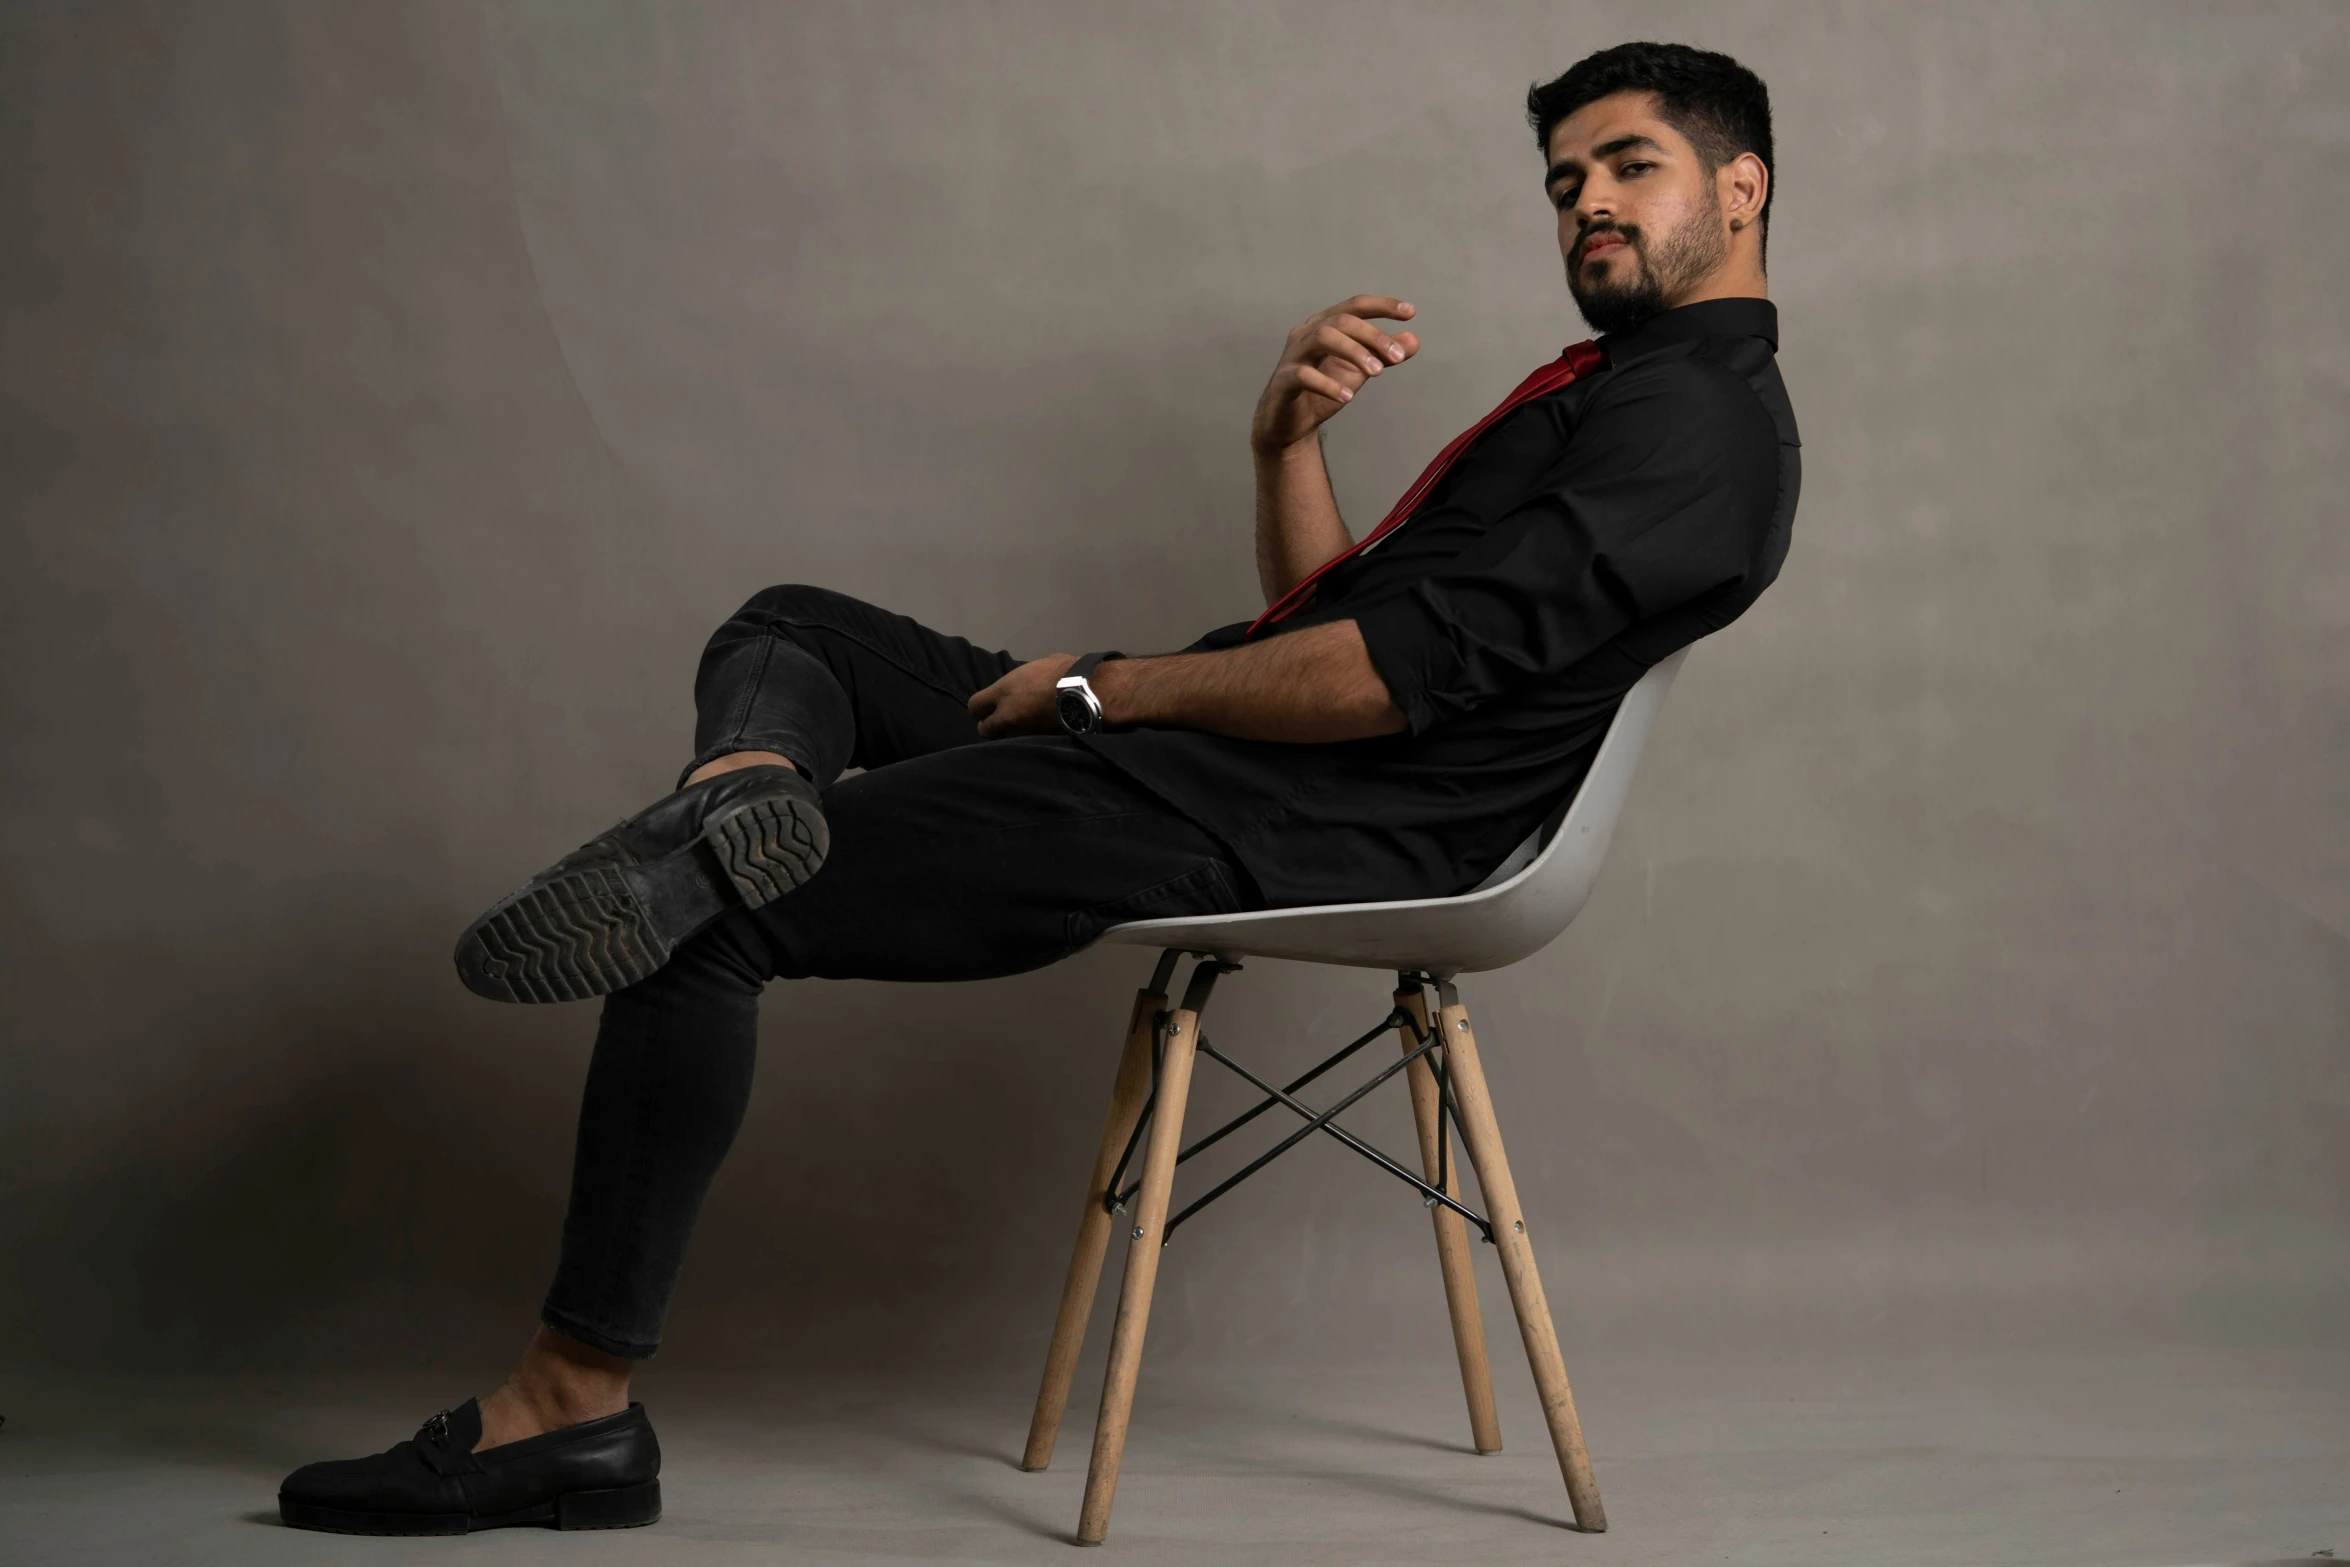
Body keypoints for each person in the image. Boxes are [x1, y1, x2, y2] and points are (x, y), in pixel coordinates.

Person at [276, 39, 1799, 1536]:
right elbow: (1329, 622)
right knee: (796, 631)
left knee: (704, 918)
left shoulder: (1697, 425)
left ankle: (571, 1410)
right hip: (1221, 757)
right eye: (1563, 178)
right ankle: (733, 796)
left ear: (1740, 188)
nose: (1585, 199)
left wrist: (1105, 686)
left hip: (1282, 814)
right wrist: (1281, 445)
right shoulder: (1618, 393)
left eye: (1627, 166)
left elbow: (1382, 679)